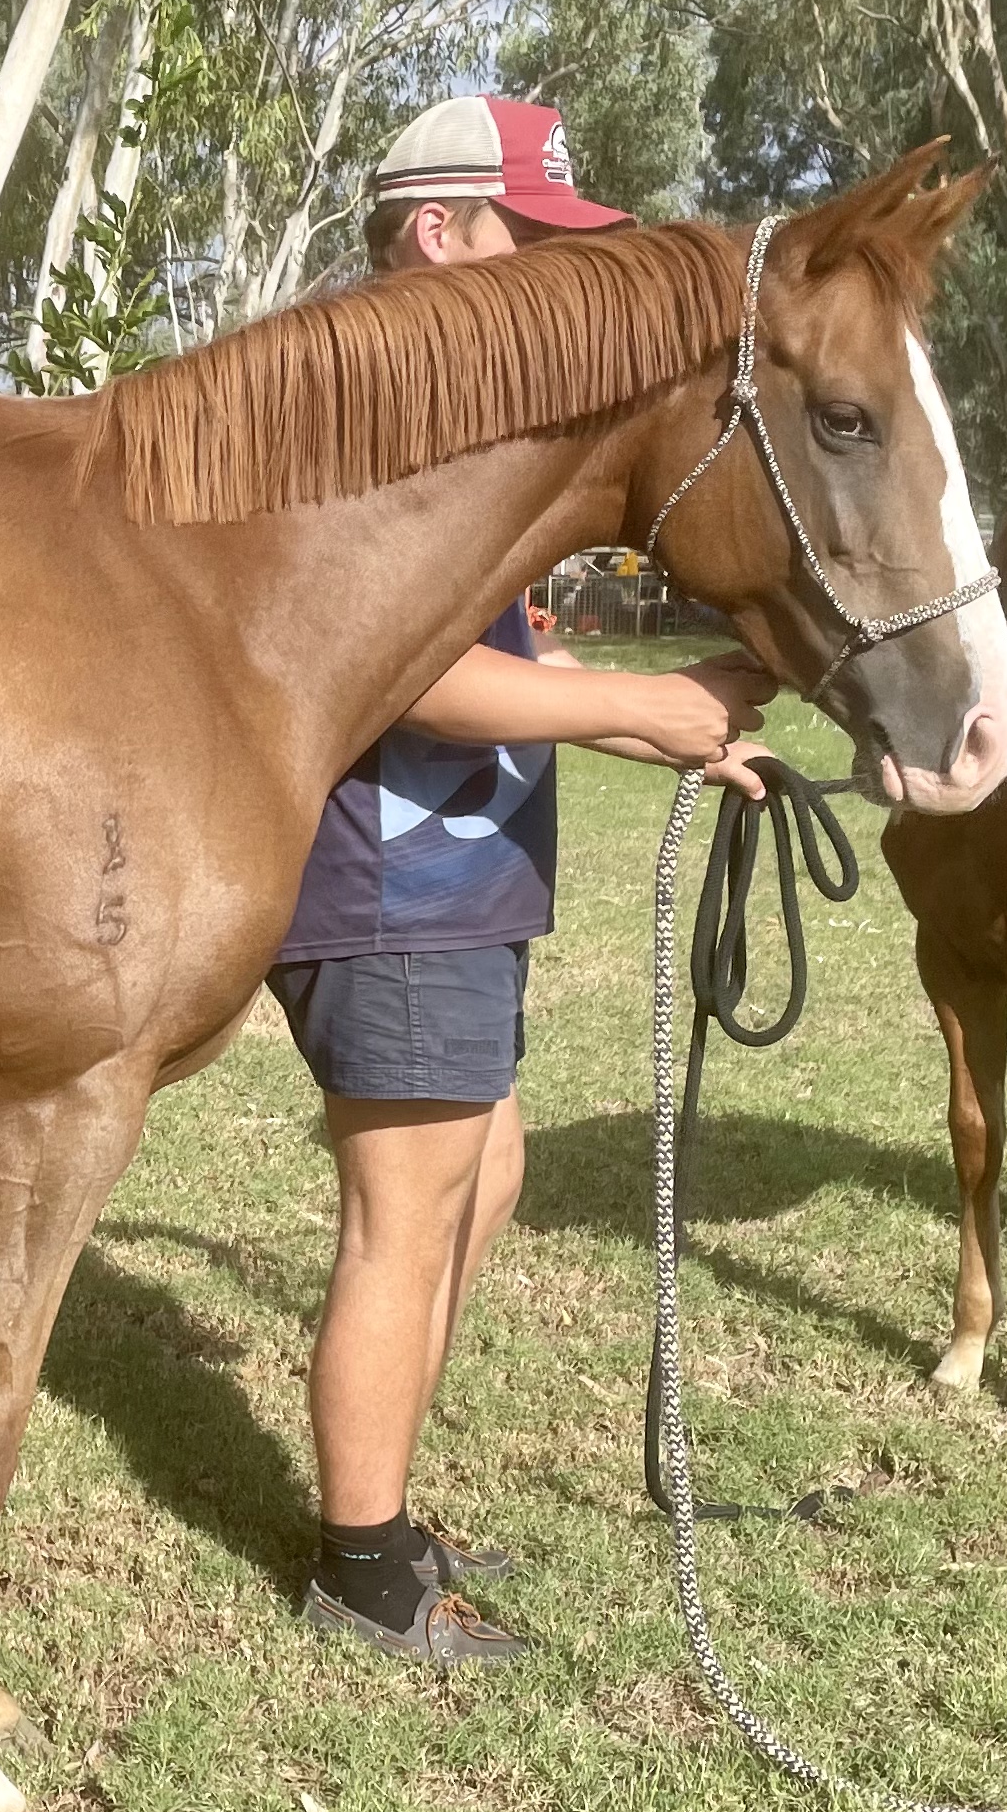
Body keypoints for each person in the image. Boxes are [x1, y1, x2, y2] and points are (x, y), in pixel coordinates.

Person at [276, 94, 777, 1664]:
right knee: (403, 1217)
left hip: (454, 878)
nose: (562, 275)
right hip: (387, 882)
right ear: (436, 232)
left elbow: (508, 657)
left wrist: (668, 716)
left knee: (481, 1182)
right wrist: (651, 704)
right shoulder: (363, 422)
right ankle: (361, 1569)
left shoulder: (454, 438)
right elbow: (406, 676)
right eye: (533, 236)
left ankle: (382, 1505)